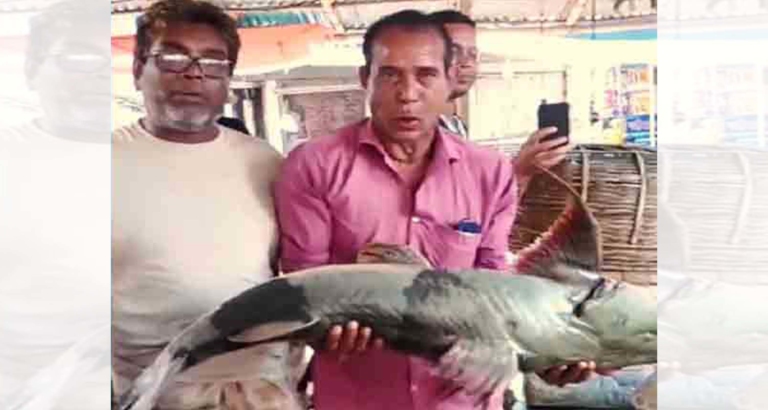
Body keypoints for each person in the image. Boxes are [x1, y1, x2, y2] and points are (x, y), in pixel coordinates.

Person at [276, 10, 593, 410]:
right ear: (365, 78)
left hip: (464, 398)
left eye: (425, 75)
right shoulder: (315, 165)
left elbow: (494, 285)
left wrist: (547, 356)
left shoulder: (490, 171)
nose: (408, 94)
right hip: (358, 395)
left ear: (449, 80)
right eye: (390, 75)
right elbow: (306, 286)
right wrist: (327, 330)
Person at [111, 1, 301, 409]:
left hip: (259, 391)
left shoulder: (267, 163)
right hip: (151, 391)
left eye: (214, 63)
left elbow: (293, 272)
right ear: (138, 69)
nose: (195, 73)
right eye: (173, 57)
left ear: (228, 79)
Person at [429, 10, 572, 197]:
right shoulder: (419, 132)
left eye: (473, 54)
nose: (466, 63)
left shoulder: (455, 125)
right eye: (454, 52)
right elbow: (455, 205)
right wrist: (519, 171)